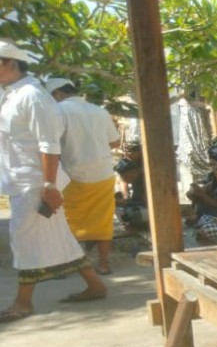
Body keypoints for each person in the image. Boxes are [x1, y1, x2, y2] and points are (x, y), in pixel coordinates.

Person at [0, 41, 107, 323]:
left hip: (35, 183)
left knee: (23, 239)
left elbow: (49, 144)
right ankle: (95, 285)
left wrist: (49, 186)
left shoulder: (32, 96)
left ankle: (23, 302)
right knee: (61, 238)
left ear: (11, 63)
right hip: (24, 181)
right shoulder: (12, 95)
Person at [46, 77, 120, 275]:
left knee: (68, 222)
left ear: (58, 94)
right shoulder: (99, 111)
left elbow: (51, 146)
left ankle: (69, 266)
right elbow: (115, 142)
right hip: (103, 174)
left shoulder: (58, 111)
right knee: (103, 222)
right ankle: (103, 264)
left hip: (73, 175)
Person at [113, 157, 148, 230]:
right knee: (118, 209)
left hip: (145, 208)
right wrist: (122, 200)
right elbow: (126, 197)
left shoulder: (145, 179)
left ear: (133, 172)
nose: (124, 179)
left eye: (125, 176)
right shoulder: (129, 181)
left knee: (136, 214)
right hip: (136, 206)